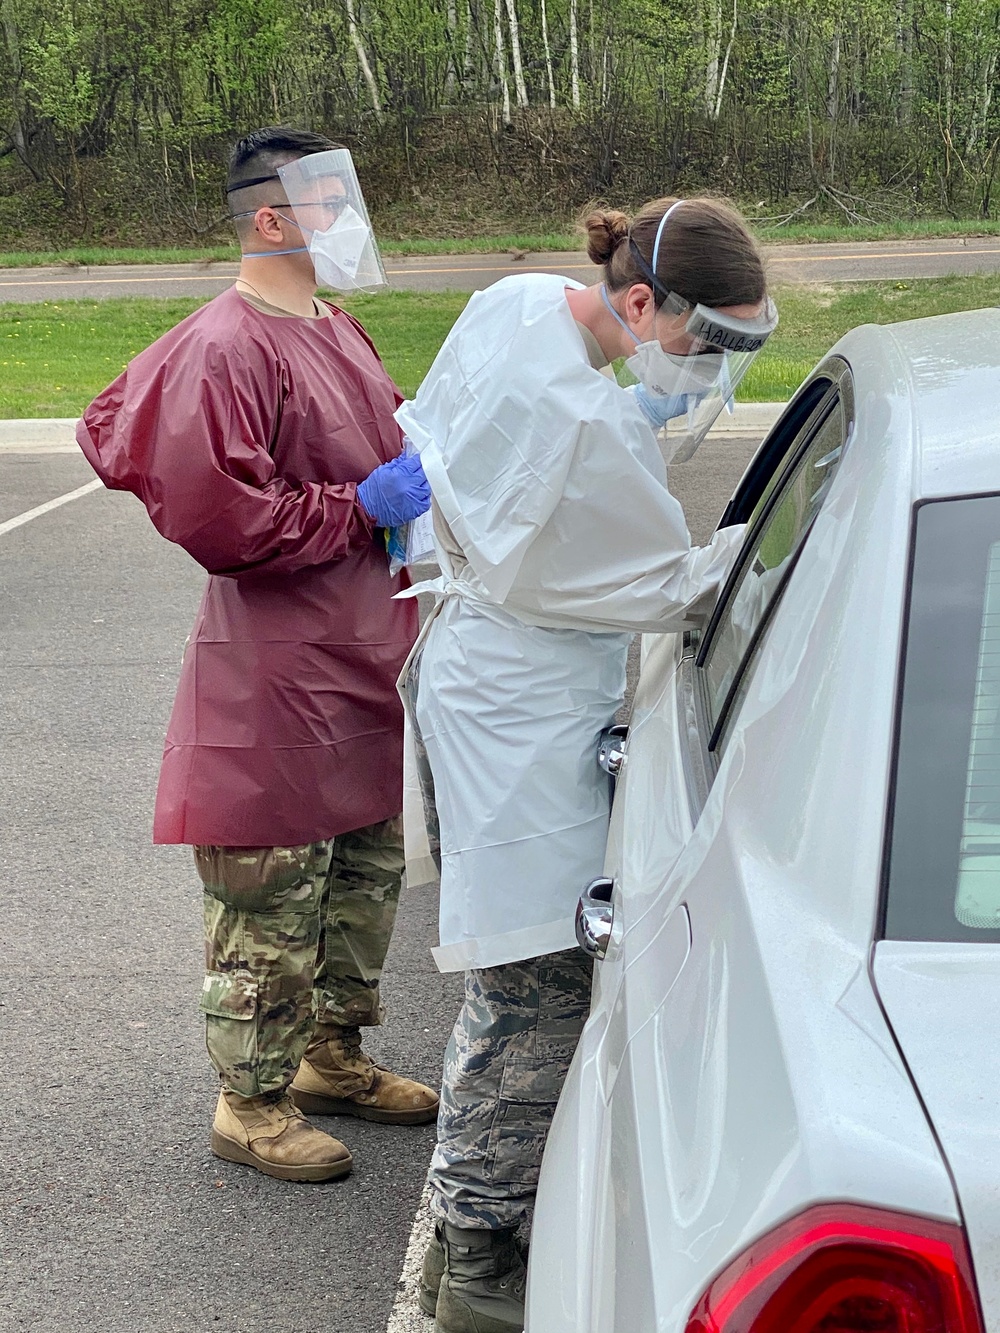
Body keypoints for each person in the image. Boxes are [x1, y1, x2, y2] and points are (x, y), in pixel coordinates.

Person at [396, 196, 776, 1330]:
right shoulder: (586, 423)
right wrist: (763, 553)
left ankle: (468, 1238)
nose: (707, 370)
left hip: (483, 671)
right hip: (520, 713)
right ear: (642, 301)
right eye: (707, 340)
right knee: (534, 985)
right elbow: (667, 586)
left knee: (521, 978)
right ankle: (478, 1262)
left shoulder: (516, 304)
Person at [76, 126, 439, 1185]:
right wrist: (358, 506)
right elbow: (223, 521)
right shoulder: (226, 347)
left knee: (358, 878)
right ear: (271, 218)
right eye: (331, 200)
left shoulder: (335, 327)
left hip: (362, 658)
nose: (350, 218)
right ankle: (250, 1103)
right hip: (276, 675)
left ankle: (330, 1058)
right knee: (272, 893)